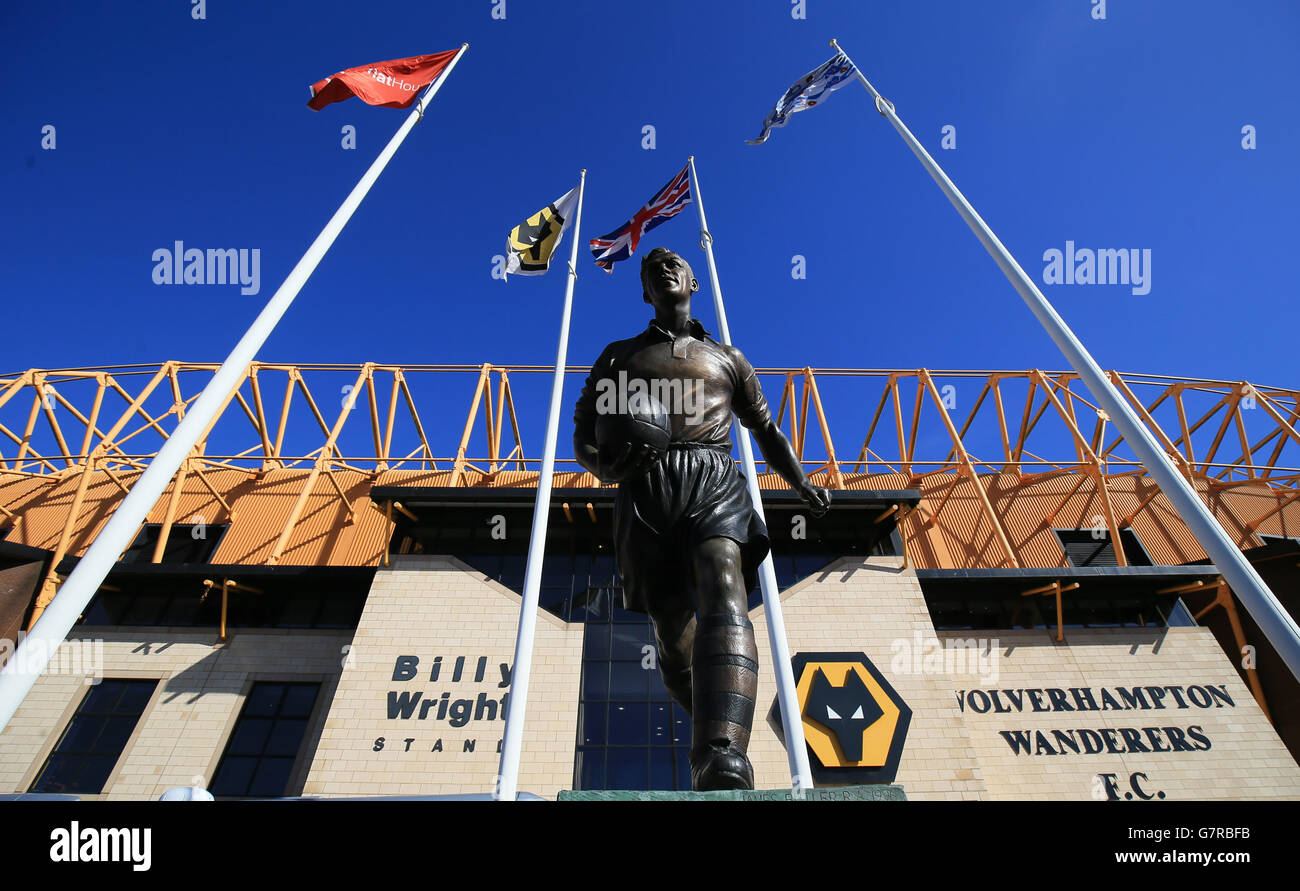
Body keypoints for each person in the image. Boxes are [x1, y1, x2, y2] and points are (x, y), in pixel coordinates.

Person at [573, 246, 831, 790]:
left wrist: (799, 479)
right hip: (645, 490)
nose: (662, 267)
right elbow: (581, 439)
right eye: (651, 268)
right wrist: (606, 466)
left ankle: (722, 750)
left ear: (693, 281)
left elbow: (766, 431)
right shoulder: (618, 357)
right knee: (672, 635)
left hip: (713, 478)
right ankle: (710, 726)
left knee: (723, 583)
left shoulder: (728, 358)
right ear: (644, 291)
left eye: (673, 263)